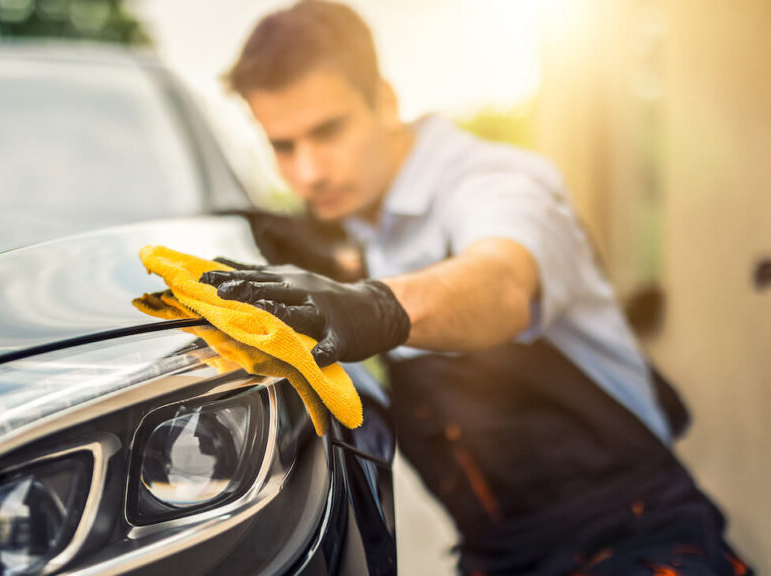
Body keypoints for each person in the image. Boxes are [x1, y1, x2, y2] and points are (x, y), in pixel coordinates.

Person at [200, 2, 753, 575]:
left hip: (633, 537)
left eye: (328, 130)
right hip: (497, 558)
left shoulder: (496, 180)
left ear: (384, 100)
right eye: (283, 147)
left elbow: (503, 281)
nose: (309, 171)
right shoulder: (364, 228)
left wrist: (375, 307)